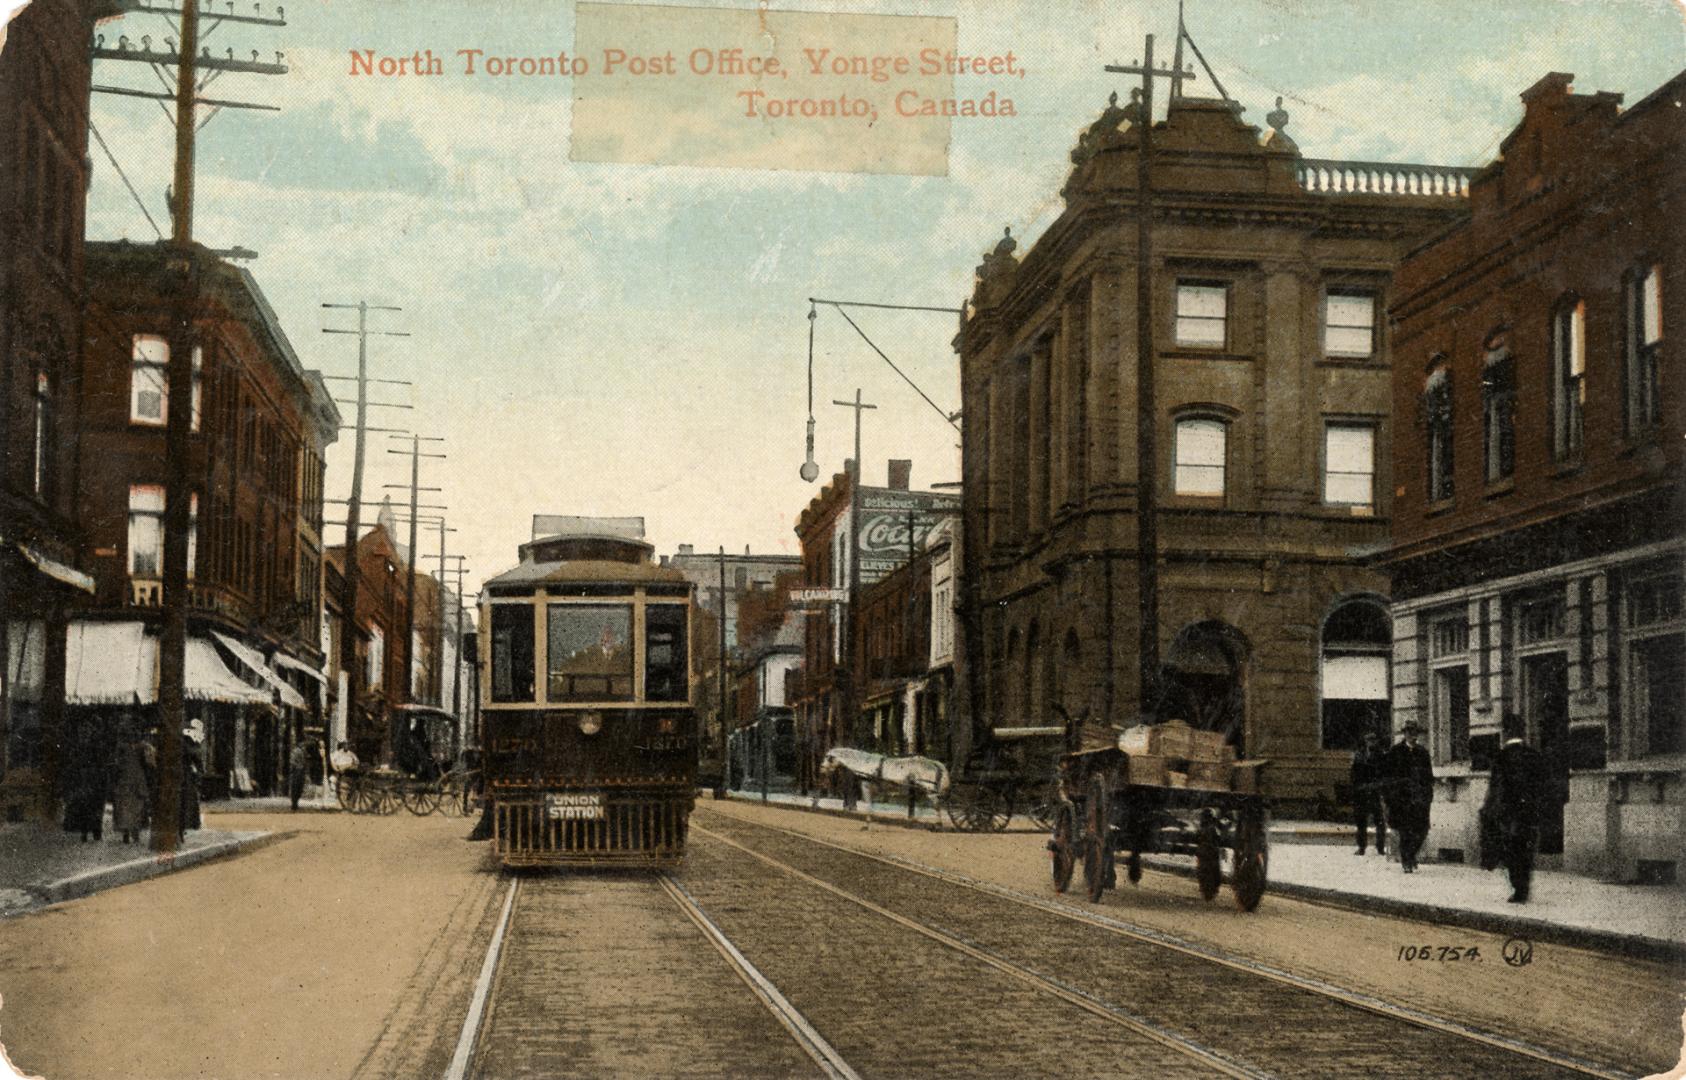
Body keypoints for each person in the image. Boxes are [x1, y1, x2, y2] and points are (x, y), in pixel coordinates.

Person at [1483, 716, 1547, 903]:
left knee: (1511, 852)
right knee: (1526, 852)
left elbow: (1496, 789)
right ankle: (1523, 887)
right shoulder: (1533, 755)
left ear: (1506, 732)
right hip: (1529, 814)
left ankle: (1519, 888)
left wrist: (1492, 811)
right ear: (1522, 732)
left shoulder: (1501, 757)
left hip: (1509, 816)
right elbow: (1542, 786)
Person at [1383, 721, 1434, 873]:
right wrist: (1390, 798)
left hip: (1420, 799)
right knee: (1405, 831)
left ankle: (1411, 854)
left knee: (1422, 830)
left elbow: (1428, 776)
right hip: (1402, 800)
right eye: (1409, 732)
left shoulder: (1422, 752)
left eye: (1415, 732)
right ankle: (1407, 860)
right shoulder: (1396, 752)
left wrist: (1428, 795)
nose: (1412, 735)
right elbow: (1388, 776)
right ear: (1404, 734)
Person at [111, 726, 153, 844]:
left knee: (128, 807)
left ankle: (129, 833)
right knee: (133, 807)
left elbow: (117, 763)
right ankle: (132, 833)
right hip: (134, 780)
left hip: (128, 780)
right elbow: (148, 763)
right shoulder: (140, 747)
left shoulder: (130, 747)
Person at [1350, 730, 1388, 856]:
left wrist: (1378, 787)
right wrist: (1357, 788)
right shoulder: (1359, 755)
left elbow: (1383, 774)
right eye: (1368, 740)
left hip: (1375, 793)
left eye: (1373, 740)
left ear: (1376, 742)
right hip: (1361, 793)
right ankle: (1361, 847)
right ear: (1365, 741)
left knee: (1380, 822)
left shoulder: (1381, 756)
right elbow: (1353, 775)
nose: (1371, 742)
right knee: (1361, 822)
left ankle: (1380, 847)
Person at [287, 739, 310, 811]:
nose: (304, 745)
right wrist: (298, 766)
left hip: (301, 772)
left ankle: (295, 803)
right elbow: (292, 761)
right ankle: (294, 804)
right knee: (295, 787)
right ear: (299, 744)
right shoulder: (296, 751)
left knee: (300, 787)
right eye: (303, 744)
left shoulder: (304, 751)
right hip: (296, 772)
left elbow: (306, 762)